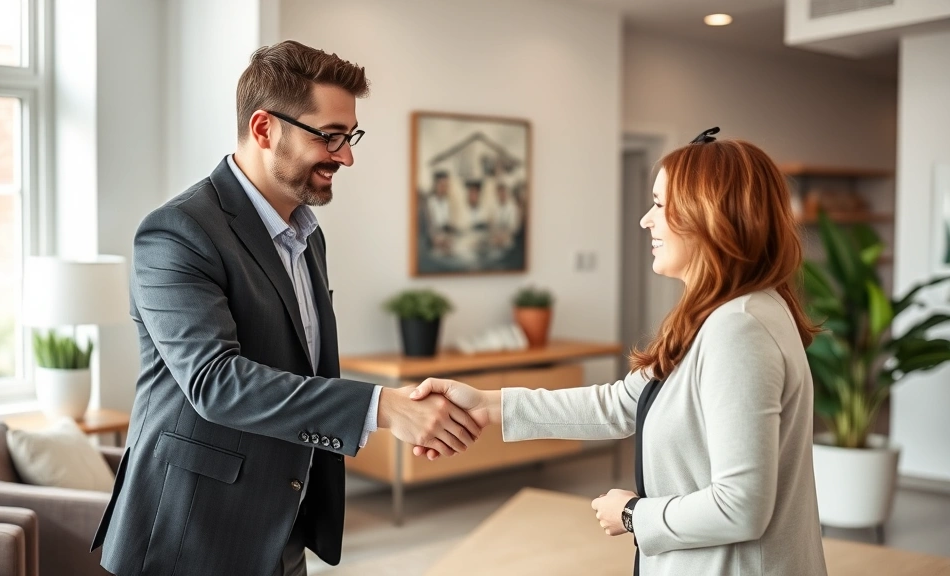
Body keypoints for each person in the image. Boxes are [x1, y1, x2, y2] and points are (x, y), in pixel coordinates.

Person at [90, 41, 480, 576]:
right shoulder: (177, 231)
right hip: (188, 536)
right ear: (264, 128)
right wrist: (383, 407)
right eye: (331, 136)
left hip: (279, 527)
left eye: (350, 136)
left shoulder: (307, 237)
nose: (346, 156)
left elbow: (299, 365)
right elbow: (215, 383)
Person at [411, 129, 828, 575]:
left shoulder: (738, 328)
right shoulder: (718, 315)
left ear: (711, 215)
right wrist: (488, 405)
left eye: (660, 205)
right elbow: (622, 404)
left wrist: (633, 514)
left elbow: (740, 506)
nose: (646, 220)